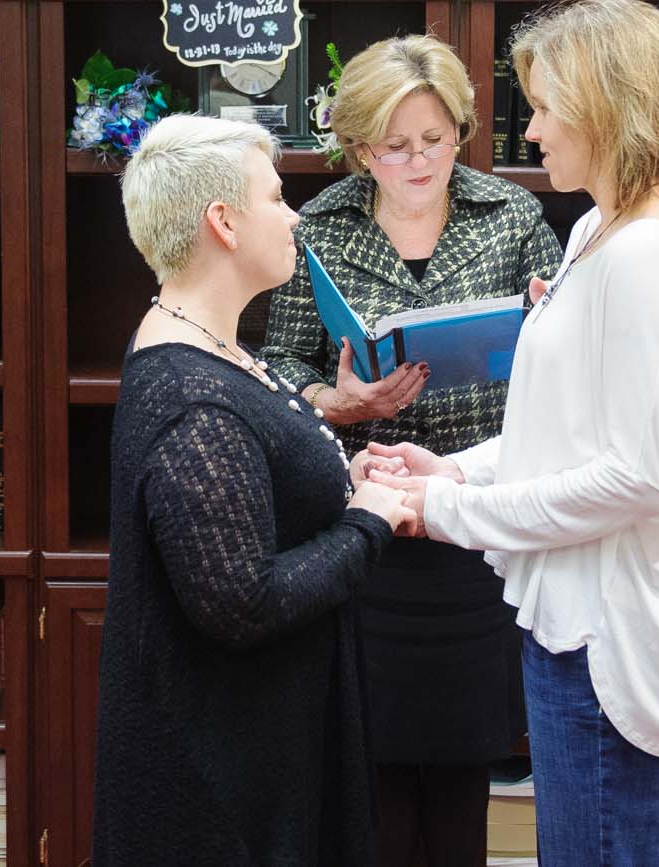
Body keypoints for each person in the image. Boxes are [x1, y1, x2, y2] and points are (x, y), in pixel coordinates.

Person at [369, 0, 659, 867]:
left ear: (608, 107)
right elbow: (564, 427)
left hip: (606, 651)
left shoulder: (652, 256)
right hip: (567, 630)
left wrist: (445, 511)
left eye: (544, 106)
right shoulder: (594, 231)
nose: (530, 131)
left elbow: (634, 476)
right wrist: (450, 468)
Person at [261, 35, 562, 867]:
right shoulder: (318, 227)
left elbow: (562, 348)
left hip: (476, 526)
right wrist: (337, 398)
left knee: (466, 773)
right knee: (375, 782)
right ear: (361, 147)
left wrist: (542, 322)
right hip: (366, 526)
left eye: (435, 139)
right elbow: (281, 361)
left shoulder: (513, 215)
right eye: (395, 146)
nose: (419, 159)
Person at [92, 114, 416, 867]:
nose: (294, 215)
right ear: (224, 222)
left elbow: (256, 494)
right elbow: (241, 599)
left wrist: (345, 483)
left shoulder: (218, 348)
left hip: (258, 759)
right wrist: (365, 523)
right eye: (276, 198)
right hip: (218, 797)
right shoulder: (190, 397)